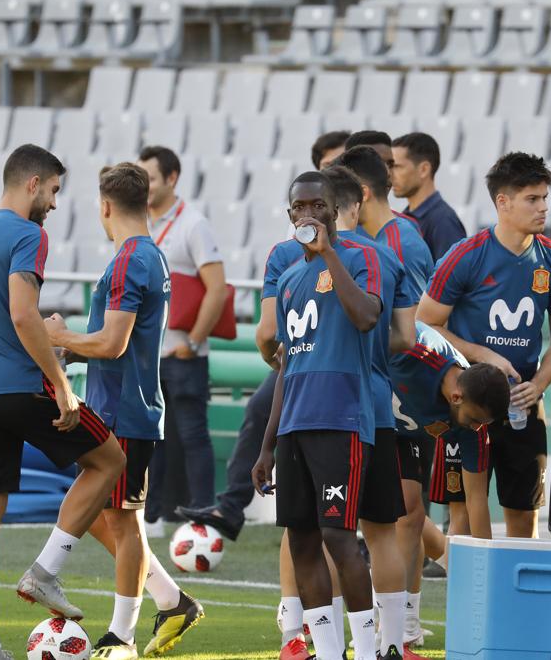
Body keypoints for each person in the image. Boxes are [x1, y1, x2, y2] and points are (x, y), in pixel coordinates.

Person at [0, 144, 126, 660]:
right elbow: (24, 315)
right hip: (16, 384)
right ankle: (47, 570)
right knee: (109, 460)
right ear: (32, 183)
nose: (54, 202)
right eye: (53, 190)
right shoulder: (28, 234)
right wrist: (61, 382)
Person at [44, 163, 204, 659]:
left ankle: (122, 636)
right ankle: (170, 599)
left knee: (122, 521)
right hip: (115, 408)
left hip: (126, 413)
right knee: (100, 516)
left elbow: (113, 344)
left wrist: (59, 337)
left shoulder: (132, 258)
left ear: (105, 206)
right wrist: (71, 345)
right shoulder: (140, 255)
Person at [175, 131, 350, 539]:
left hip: (351, 368)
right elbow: (267, 333)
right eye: (325, 166)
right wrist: (281, 358)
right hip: (306, 361)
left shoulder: (366, 247)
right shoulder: (288, 252)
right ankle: (233, 506)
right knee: (261, 411)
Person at [252, 172, 383, 660]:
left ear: (333, 209)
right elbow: (287, 366)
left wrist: (329, 253)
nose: (308, 214)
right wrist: (267, 445)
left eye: (317, 206)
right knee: (302, 540)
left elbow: (368, 316)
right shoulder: (287, 279)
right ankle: (328, 651)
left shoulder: (359, 256)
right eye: (299, 208)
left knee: (338, 536)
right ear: (290, 215)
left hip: (341, 420)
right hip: (293, 427)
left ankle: (365, 651)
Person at [418, 152, 551, 540]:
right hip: (471, 399)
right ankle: (469, 601)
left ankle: (518, 601)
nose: (543, 208)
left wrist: (538, 385)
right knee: (464, 514)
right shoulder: (465, 256)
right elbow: (425, 322)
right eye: (532, 199)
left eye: (544, 199)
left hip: (524, 404)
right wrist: (482, 355)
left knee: (524, 515)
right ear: (502, 202)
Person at [327, 164, 424, 659]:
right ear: (357, 203)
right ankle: (391, 644)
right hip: (378, 409)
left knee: (326, 531)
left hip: (322, 412)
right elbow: (408, 336)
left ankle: (323, 639)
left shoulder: (298, 258)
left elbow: (272, 338)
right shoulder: (386, 256)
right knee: (382, 532)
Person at [391, 321, 508, 644]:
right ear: (456, 397)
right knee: (387, 518)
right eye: (473, 420)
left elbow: (477, 500)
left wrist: (485, 573)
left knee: (410, 517)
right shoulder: (416, 350)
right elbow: (366, 341)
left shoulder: (475, 423)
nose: (475, 428)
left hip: (408, 431)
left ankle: (405, 625)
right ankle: (370, 625)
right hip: (366, 419)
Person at [139, 145, 227, 524]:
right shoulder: (139, 221)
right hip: (148, 354)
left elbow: (218, 288)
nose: (145, 185)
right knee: (149, 438)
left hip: (183, 354)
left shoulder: (193, 223)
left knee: (193, 436)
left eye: (152, 178)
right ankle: (152, 514)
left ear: (172, 179)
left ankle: (203, 515)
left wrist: (193, 342)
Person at [390, 132, 467, 261]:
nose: (390, 175)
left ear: (424, 169)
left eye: (397, 167)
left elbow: (454, 278)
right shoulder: (404, 217)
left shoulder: (443, 222)